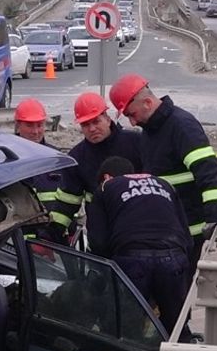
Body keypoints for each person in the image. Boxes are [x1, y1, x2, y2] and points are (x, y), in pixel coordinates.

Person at [109, 73, 217, 263]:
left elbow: (209, 172)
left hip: (192, 231)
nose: (131, 122)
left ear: (147, 103)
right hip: (171, 232)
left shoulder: (182, 126)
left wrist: (214, 217)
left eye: (132, 114)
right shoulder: (150, 132)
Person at [93, 156, 193, 342]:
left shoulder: (106, 188)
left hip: (132, 259)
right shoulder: (164, 184)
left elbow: (99, 242)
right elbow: (186, 237)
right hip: (174, 257)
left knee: (125, 331)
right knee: (177, 326)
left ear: (106, 177)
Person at [49, 91, 143, 249]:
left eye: (96, 121)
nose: (92, 129)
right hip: (101, 237)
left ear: (107, 118)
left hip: (138, 230)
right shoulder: (77, 157)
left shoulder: (136, 143)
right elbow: (67, 203)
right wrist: (50, 236)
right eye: (85, 124)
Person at [12, 98, 64, 241]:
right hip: (20, 243)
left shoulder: (57, 158)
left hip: (56, 239)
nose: (35, 131)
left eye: (39, 125)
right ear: (18, 126)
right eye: (29, 125)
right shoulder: (7, 160)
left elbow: (70, 200)